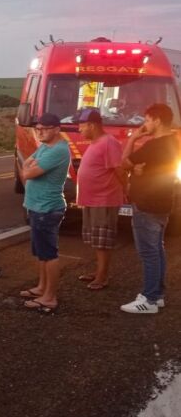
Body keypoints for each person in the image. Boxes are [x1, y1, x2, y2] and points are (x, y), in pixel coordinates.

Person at [119, 103, 179, 314]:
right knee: (158, 249)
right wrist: (138, 169)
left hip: (147, 204)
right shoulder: (172, 142)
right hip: (161, 204)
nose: (145, 124)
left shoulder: (155, 145)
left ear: (157, 120)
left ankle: (150, 299)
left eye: (147, 120)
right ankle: (158, 294)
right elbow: (141, 167)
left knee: (149, 252)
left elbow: (124, 162)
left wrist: (133, 139)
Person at [19, 112, 71, 314]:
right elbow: (26, 164)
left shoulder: (57, 150)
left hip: (47, 208)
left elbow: (28, 171)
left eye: (44, 129)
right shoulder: (46, 147)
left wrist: (28, 168)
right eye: (38, 129)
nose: (39, 132)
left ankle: (49, 297)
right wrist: (28, 167)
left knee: (49, 254)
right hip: (37, 206)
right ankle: (42, 287)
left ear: (57, 129)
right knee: (41, 252)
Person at [75, 108, 125, 290]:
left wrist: (126, 190)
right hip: (92, 199)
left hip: (104, 199)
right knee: (96, 240)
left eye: (81, 126)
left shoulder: (108, 142)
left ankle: (102, 277)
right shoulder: (95, 142)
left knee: (103, 241)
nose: (79, 130)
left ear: (92, 125)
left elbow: (118, 169)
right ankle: (98, 272)